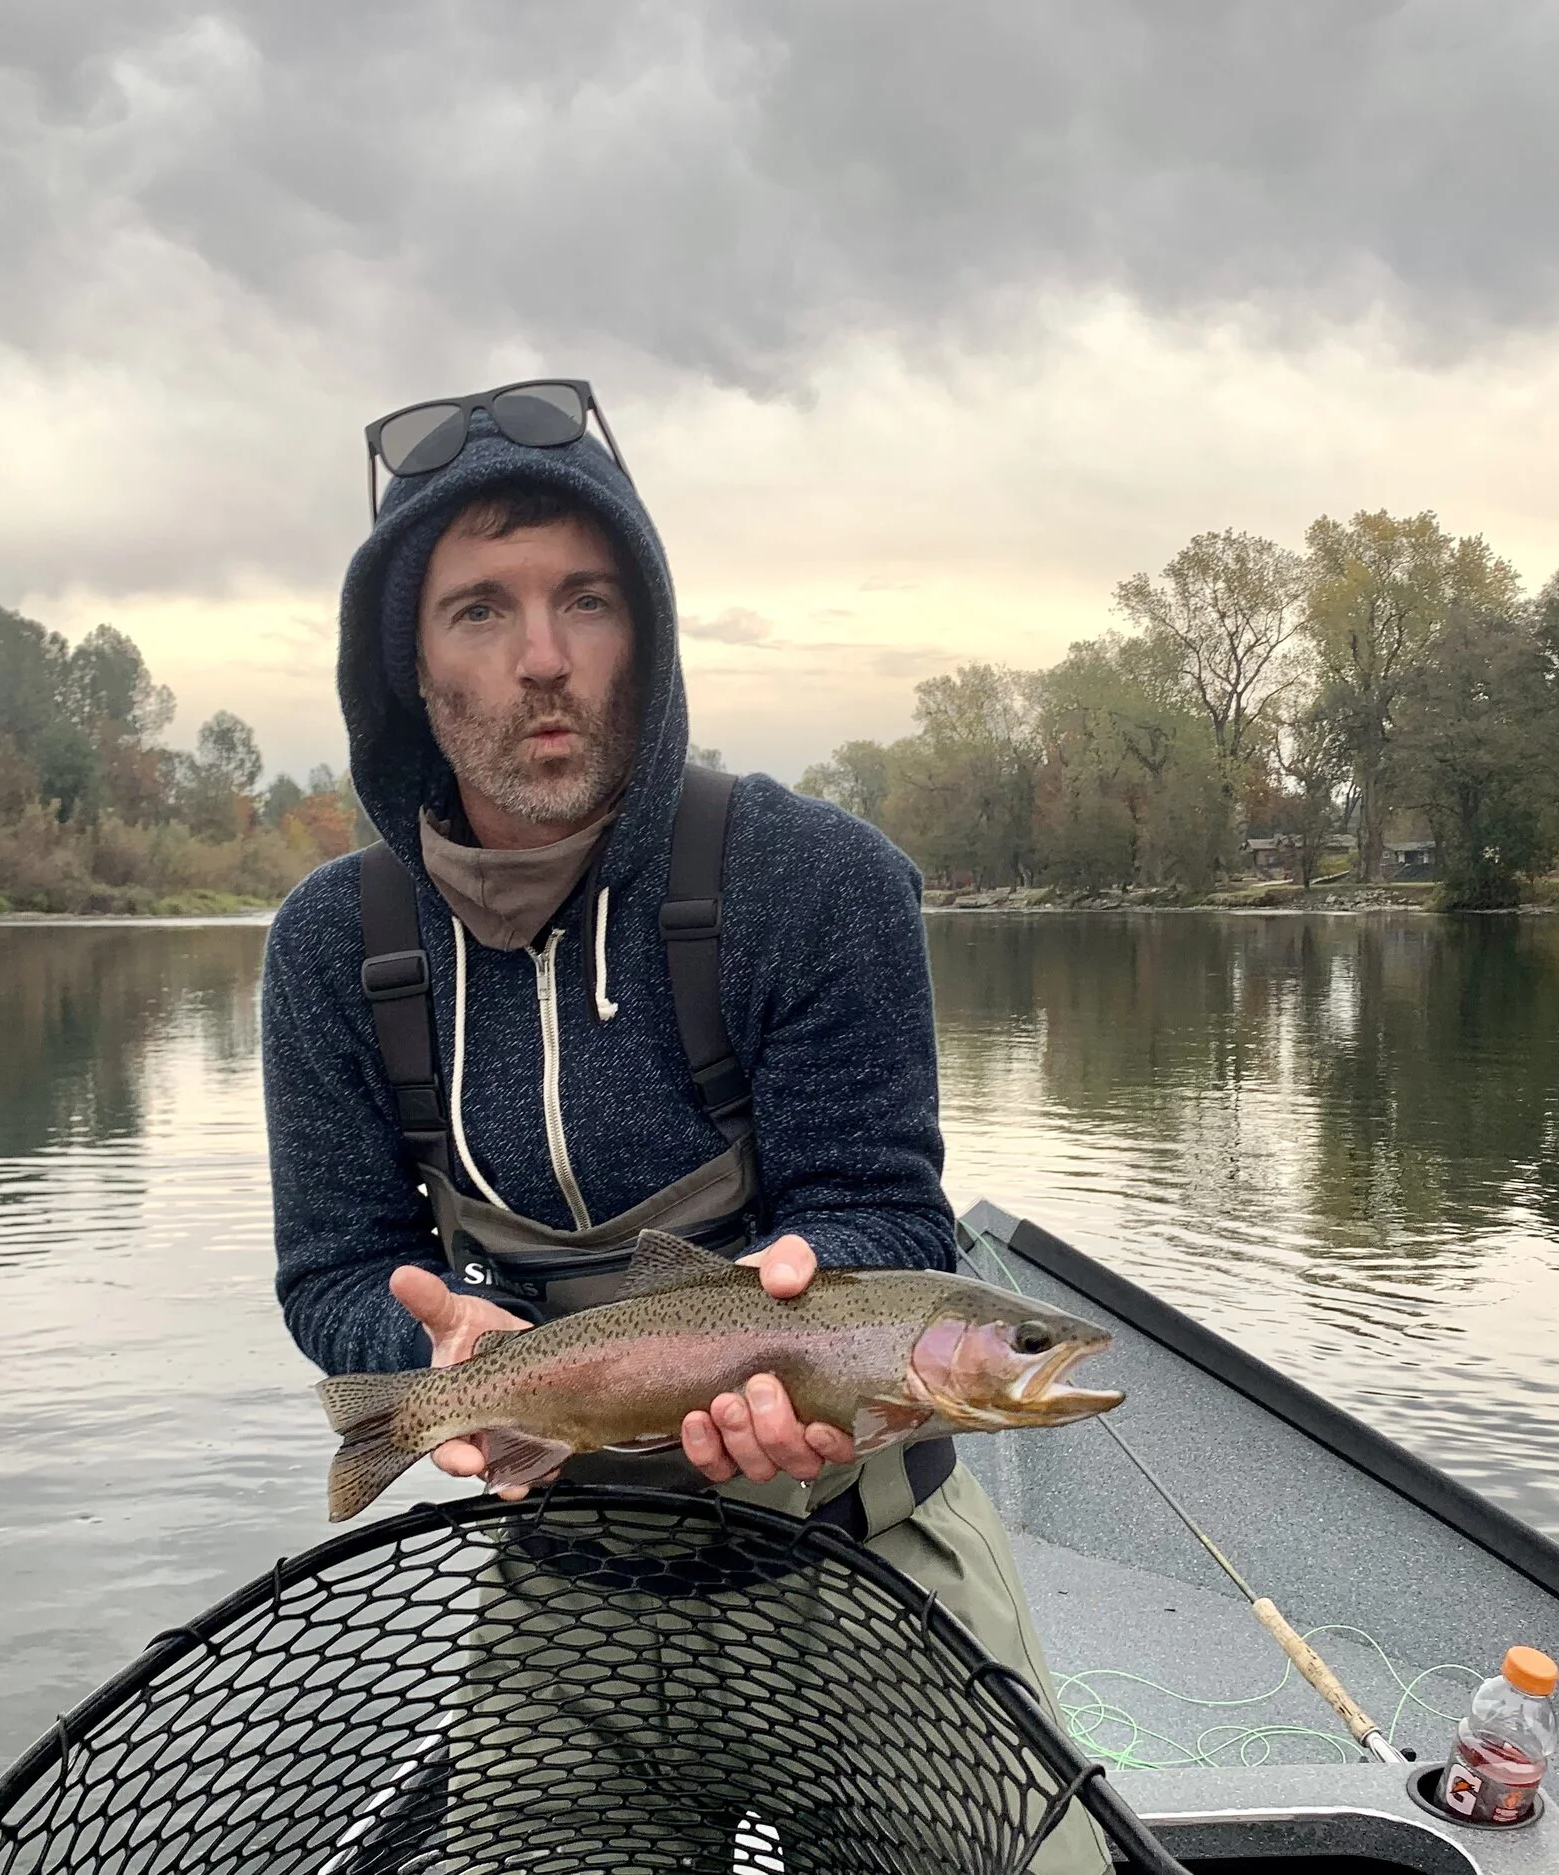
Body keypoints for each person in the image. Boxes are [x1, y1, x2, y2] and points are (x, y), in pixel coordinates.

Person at [263, 381, 1106, 1874]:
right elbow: (336, 1267)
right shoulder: (334, 947)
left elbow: (892, 1219)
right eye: (479, 610)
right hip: (561, 1581)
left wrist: (798, 1298)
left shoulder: (821, 882)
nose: (543, 659)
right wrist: (433, 1361)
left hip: (863, 1560)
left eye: (586, 598)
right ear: (404, 661)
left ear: (643, 629)